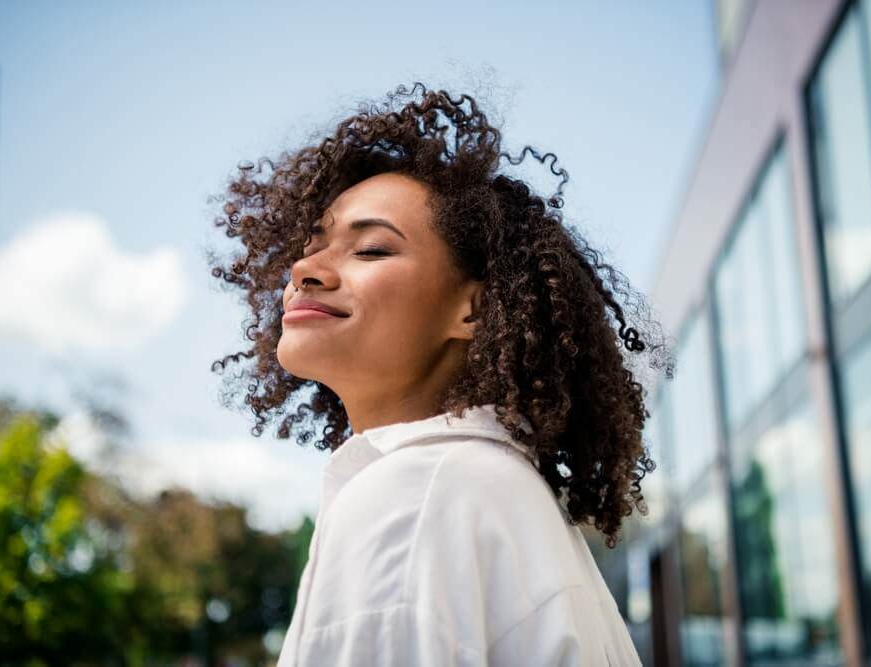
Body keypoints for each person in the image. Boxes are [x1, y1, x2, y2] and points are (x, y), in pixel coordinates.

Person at [208, 82, 675, 666]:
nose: (305, 268)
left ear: (474, 310)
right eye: (312, 245)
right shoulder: (493, 498)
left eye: (372, 249)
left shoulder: (412, 503)